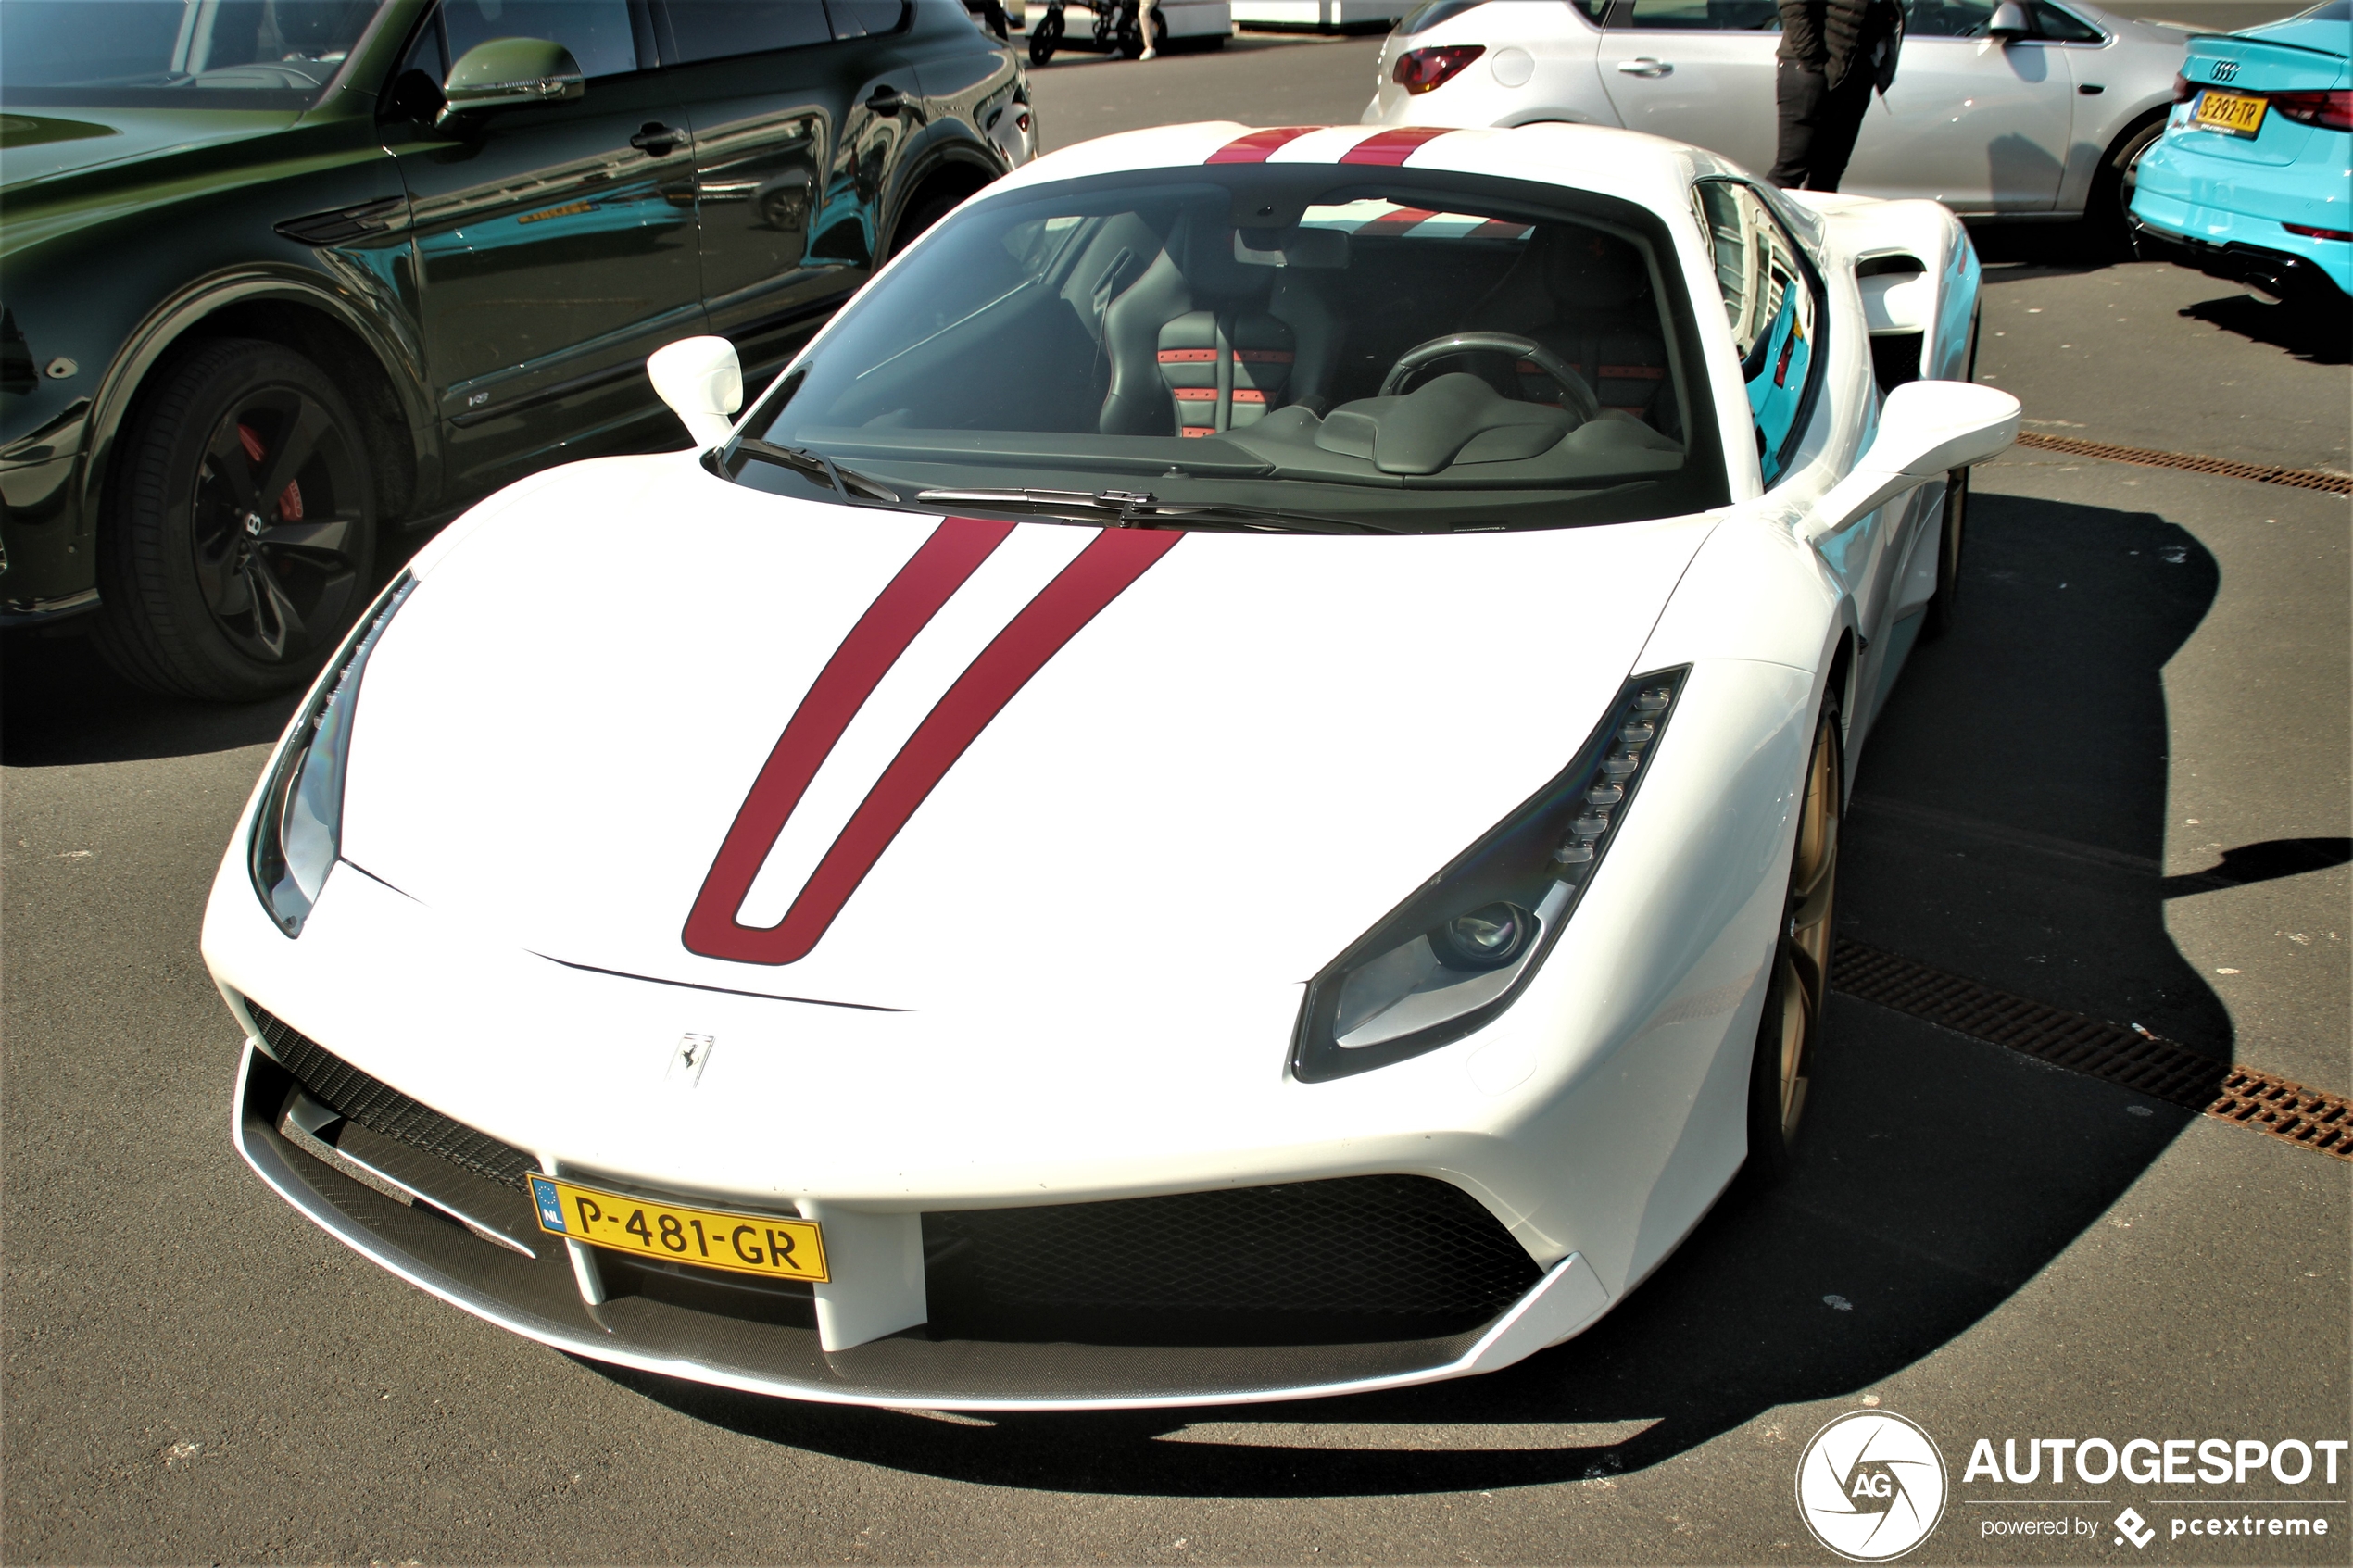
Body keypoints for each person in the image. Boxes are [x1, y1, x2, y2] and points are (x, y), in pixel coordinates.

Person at [1768, 0, 1905, 193]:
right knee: (1791, 169)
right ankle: (1758, 221)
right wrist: (1812, 61)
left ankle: (1813, 223)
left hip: (1855, 68)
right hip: (1811, 67)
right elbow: (1794, 5)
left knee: (1829, 173)